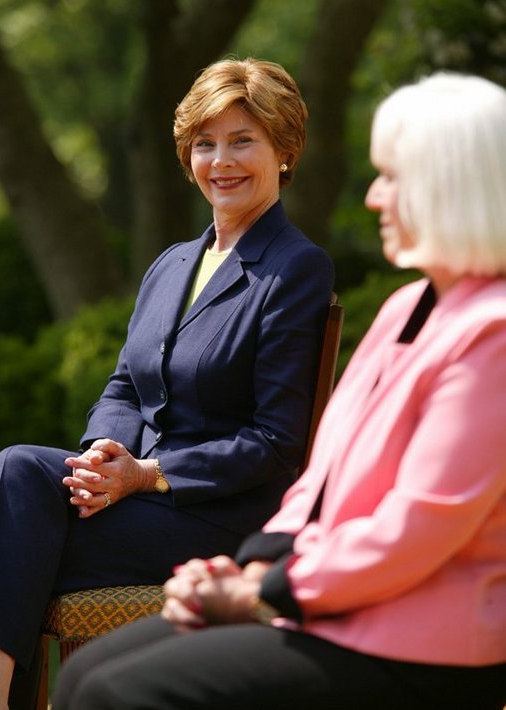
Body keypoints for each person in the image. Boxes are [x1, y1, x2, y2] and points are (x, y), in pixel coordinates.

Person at [53, 71, 506, 710]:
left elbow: (419, 527)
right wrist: (256, 563)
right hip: (332, 603)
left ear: (459, 186)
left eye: (395, 178)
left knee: (116, 691)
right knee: (83, 674)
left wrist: (270, 590)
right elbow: (322, 479)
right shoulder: (407, 307)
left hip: (419, 640)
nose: (375, 196)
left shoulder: (494, 334)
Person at [0, 57, 335, 709]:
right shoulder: (171, 264)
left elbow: (276, 441)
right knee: (13, 518)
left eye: (242, 141)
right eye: (205, 143)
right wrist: (102, 456)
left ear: (284, 152)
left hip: (215, 519)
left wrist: (146, 474)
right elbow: (123, 388)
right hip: (128, 504)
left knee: (14, 479)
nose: (221, 161)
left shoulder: (296, 269)